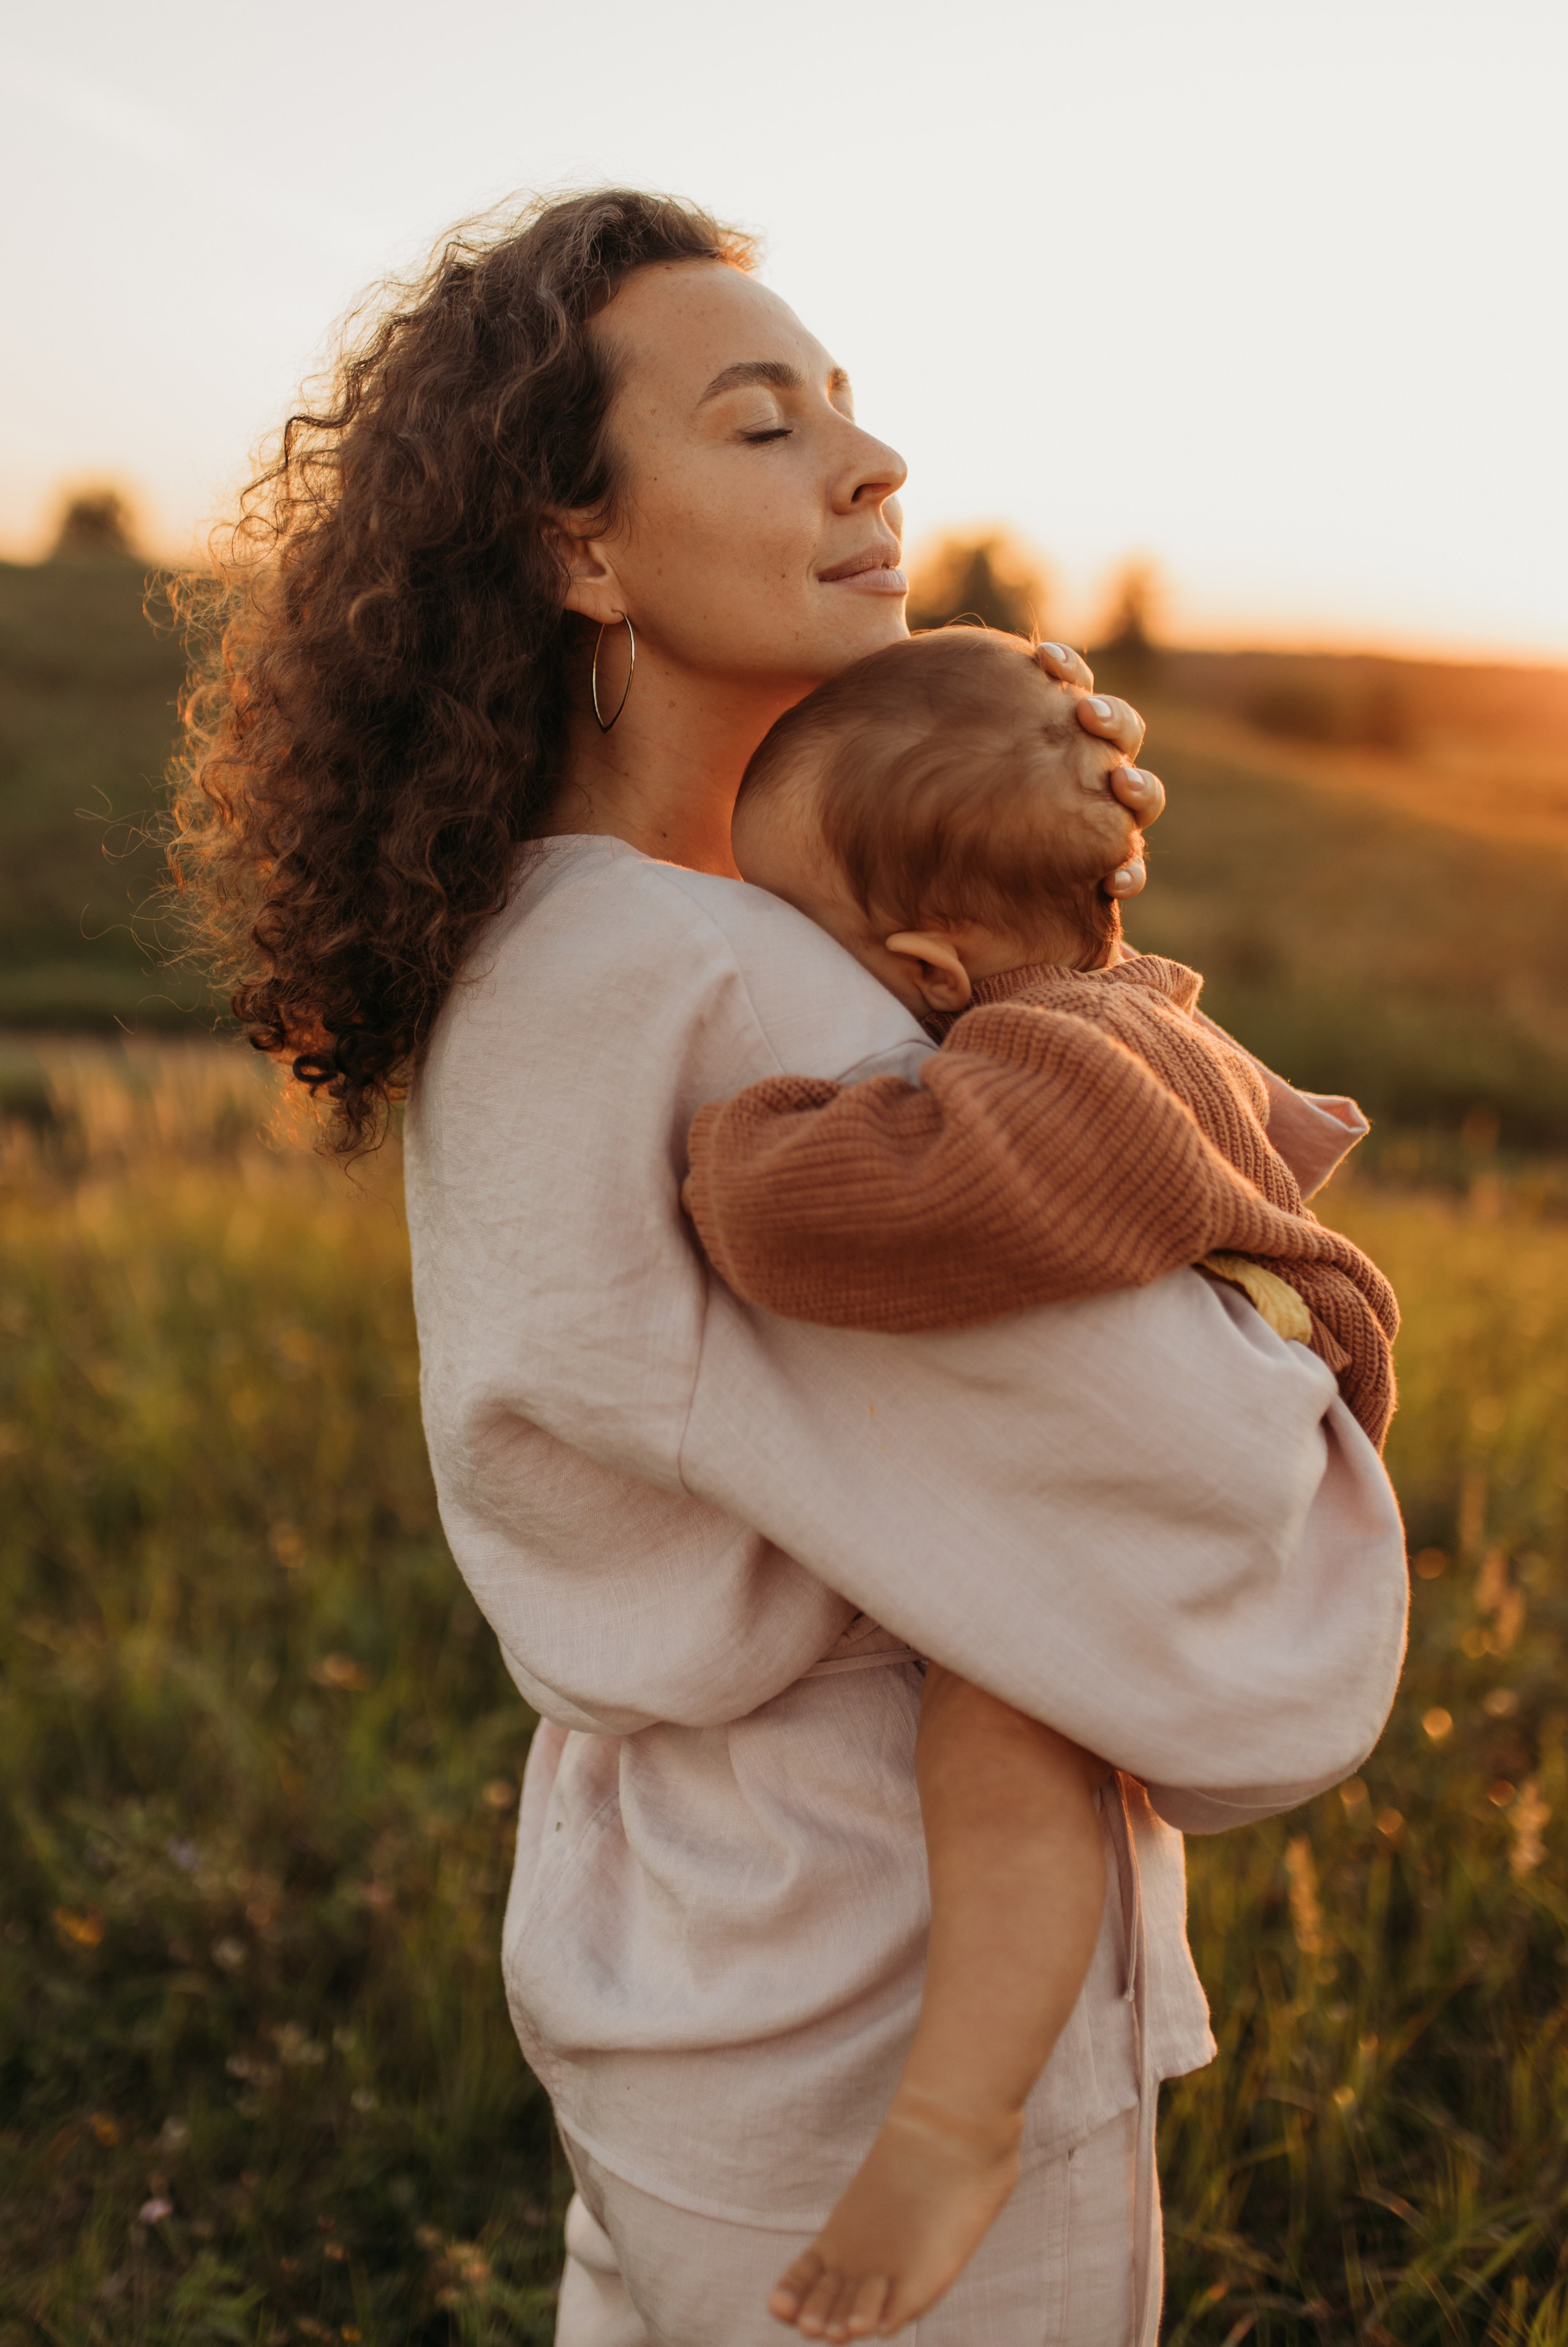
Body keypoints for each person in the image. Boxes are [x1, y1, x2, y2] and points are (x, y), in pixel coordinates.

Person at [169, 188, 1410, 2347]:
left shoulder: (555, 943)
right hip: (878, 1999)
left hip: (686, 1958)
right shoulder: (736, 1001)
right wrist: (1108, 1027)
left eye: (847, 406)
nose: (870, 465)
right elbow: (1228, 1486)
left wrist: (1011, 892)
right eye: (762, 428)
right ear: (578, 548)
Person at [676, 623, 1399, 2338]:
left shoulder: (1060, 1063)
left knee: (1004, 1736)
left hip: (1221, 1507)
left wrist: (729, 1136)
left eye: (811, 935)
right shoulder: (1140, 1020)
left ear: (925, 966)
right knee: (1023, 1730)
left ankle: (956, 2116)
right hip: (1199, 1470)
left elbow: (858, 1213)